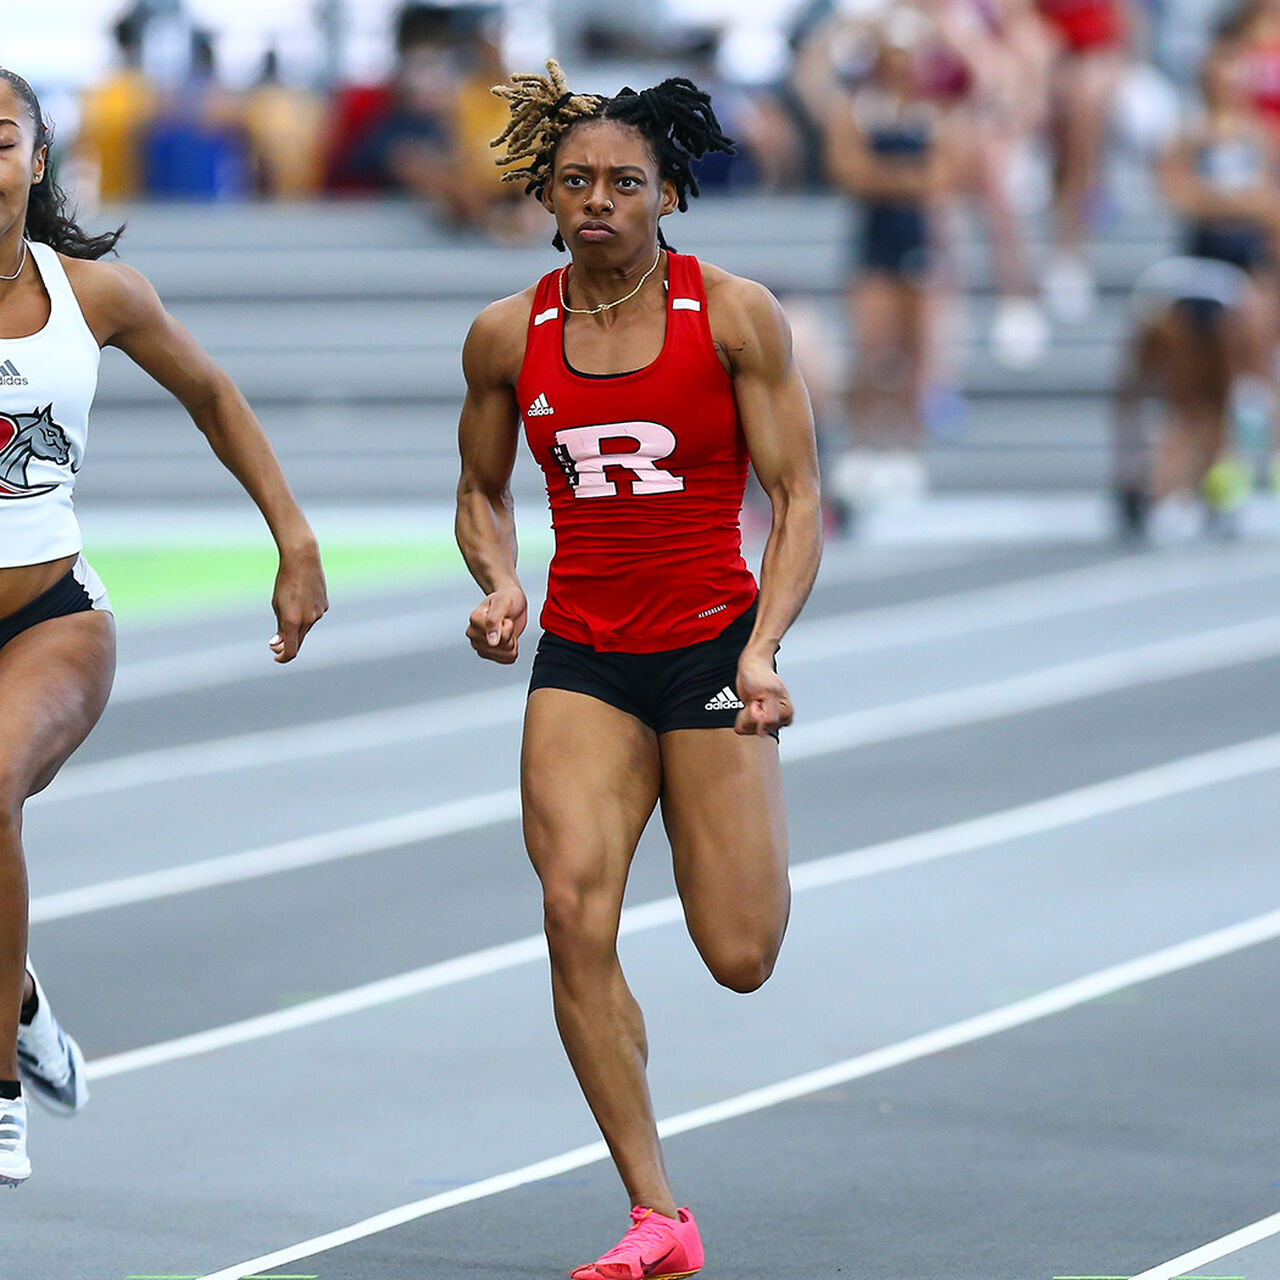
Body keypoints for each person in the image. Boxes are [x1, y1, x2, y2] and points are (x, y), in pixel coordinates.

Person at [454, 61, 821, 1280]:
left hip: (711, 646)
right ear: (546, 197)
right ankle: (655, 1210)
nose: (598, 200)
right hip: (583, 656)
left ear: (665, 194)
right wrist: (499, 580)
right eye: (575, 182)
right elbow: (479, 489)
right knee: (571, 912)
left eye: (623, 181)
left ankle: (737, 813)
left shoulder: (734, 315)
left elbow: (797, 497)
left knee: (739, 953)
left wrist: (761, 646)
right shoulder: (507, 334)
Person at [0, 68, 327, 1186]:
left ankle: (0, 1098)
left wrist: (293, 538)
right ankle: (21, 1002)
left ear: (37, 158)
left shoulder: (97, 295)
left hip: (51, 618)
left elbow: (214, 396)